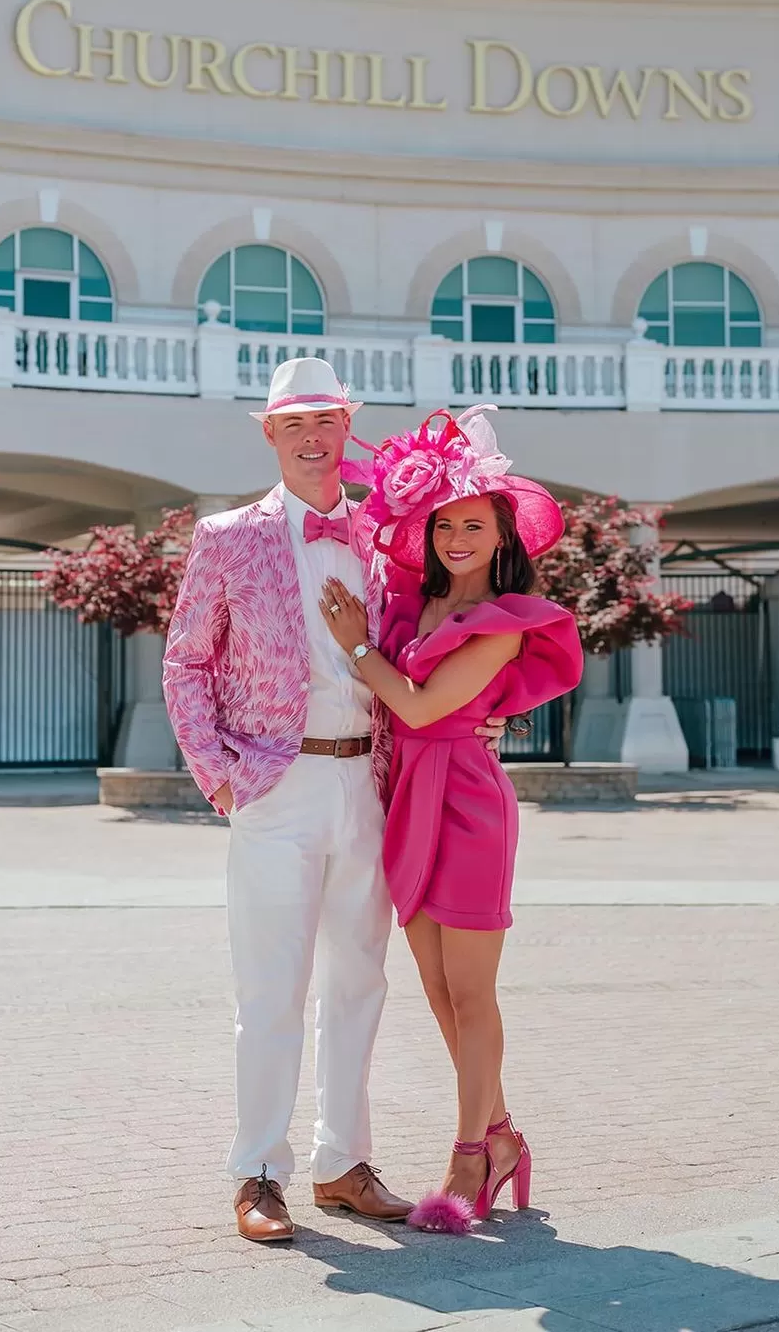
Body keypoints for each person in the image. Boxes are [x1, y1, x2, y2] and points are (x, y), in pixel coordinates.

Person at [162, 358, 506, 1244]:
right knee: (270, 987)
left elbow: (430, 643)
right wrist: (221, 774)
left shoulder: (387, 540)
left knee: (360, 980)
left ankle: (342, 1164)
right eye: (295, 424)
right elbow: (185, 663)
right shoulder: (226, 536)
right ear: (269, 434)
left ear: (348, 426)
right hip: (273, 787)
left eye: (328, 421)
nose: (314, 438)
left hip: (367, 783)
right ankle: (259, 1171)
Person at [318, 405, 584, 1231]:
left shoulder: (506, 620)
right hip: (410, 798)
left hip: (466, 800)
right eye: (444, 525)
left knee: (472, 991)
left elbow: (425, 703)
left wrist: (358, 650)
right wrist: (366, 641)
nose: (457, 538)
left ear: (503, 534)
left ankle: (470, 1153)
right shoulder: (410, 603)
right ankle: (502, 1136)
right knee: (437, 989)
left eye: (474, 524)